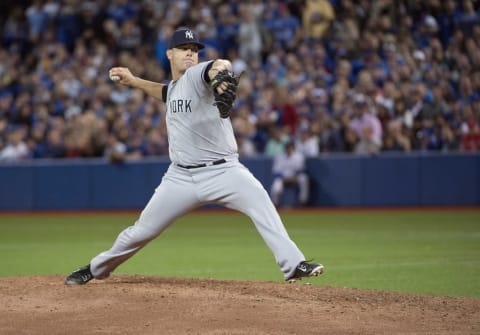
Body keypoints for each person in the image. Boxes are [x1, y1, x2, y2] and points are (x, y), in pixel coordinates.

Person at [64, 28, 324, 285]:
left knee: (262, 205)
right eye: (184, 49)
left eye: (194, 50)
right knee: (141, 231)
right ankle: (96, 268)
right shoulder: (177, 87)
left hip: (224, 172)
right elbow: (166, 92)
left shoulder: (198, 75)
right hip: (180, 177)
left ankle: (294, 265)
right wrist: (134, 81)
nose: (190, 54)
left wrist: (222, 75)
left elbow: (218, 65)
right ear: (169, 54)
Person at [270, 141, 310, 207]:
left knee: (304, 179)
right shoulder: (280, 157)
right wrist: (284, 179)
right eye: (287, 148)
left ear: (293, 148)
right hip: (284, 179)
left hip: (295, 178)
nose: (288, 149)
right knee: (276, 185)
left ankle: (303, 202)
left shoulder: (299, 157)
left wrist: (294, 177)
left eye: (290, 148)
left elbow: (302, 170)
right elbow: (276, 171)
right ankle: (275, 204)